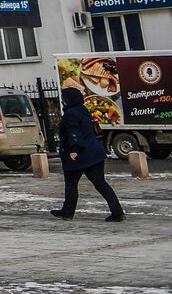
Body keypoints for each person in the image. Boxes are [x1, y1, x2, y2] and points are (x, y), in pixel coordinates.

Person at [54, 81, 126, 222]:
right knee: (100, 183)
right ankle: (117, 211)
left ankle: (67, 212)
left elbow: (73, 133)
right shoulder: (83, 110)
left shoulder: (70, 115)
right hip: (94, 152)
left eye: (64, 99)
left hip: (79, 156)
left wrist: (73, 150)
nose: (62, 101)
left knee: (71, 183)